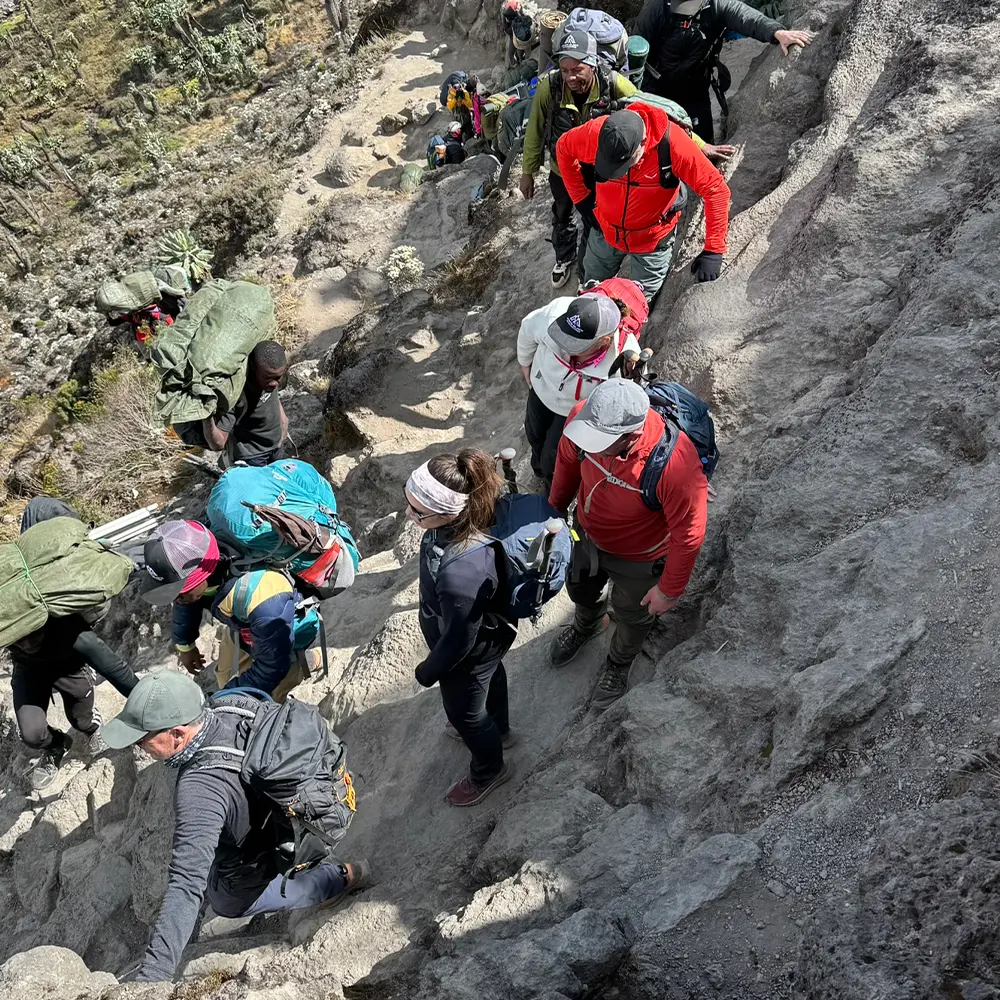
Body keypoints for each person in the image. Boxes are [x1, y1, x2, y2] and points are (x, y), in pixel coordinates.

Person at [101, 671, 369, 982]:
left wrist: (154, 975)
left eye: (144, 737)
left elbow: (186, 884)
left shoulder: (200, 788)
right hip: (299, 810)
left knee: (225, 900)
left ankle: (333, 879)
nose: (139, 745)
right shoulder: (230, 703)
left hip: (271, 845)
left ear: (177, 734)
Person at [548, 379, 708, 709]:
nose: (588, 446)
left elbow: (689, 534)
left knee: (634, 615)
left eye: (598, 443)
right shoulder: (585, 418)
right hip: (587, 534)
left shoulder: (675, 465)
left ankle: (618, 664)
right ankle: (588, 623)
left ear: (630, 436)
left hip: (640, 557)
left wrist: (668, 591)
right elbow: (566, 461)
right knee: (579, 588)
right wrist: (554, 510)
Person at [405, 450, 517, 807]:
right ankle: (499, 726)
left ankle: (490, 769)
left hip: (470, 648)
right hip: (491, 635)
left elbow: (460, 639)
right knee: (490, 675)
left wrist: (428, 670)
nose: (410, 515)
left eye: (418, 512)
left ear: (448, 511)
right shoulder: (471, 514)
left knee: (465, 714)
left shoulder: (460, 572)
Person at [555, 102, 731, 299]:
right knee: (590, 287)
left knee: (639, 304)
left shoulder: (673, 144)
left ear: (643, 142)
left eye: (622, 166)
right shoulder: (598, 132)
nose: (617, 172)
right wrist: (582, 200)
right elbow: (563, 148)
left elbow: (716, 189)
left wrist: (714, 249)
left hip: (651, 240)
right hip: (605, 231)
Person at [140, 520, 318, 702]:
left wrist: (224, 699)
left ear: (203, 575)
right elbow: (187, 603)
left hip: (284, 632)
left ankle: (310, 661)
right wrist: (185, 645)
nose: (176, 599)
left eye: (179, 591)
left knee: (269, 698)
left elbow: (271, 667)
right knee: (224, 675)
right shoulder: (201, 554)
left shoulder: (264, 597)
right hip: (243, 625)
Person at [520, 28, 638, 288]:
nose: (570, 77)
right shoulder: (548, 88)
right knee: (562, 213)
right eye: (565, 70)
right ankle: (564, 257)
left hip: (600, 171)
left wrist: (697, 143)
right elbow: (535, 131)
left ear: (593, 64)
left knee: (595, 217)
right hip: (562, 170)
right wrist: (527, 172)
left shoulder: (612, 83)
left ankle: (589, 268)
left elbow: (648, 111)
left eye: (577, 70)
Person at [632, 0, 816, 142]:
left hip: (695, 85)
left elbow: (746, 16)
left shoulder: (718, 6)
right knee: (656, 140)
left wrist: (776, 32)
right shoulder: (656, 9)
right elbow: (635, 49)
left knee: (703, 142)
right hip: (657, 86)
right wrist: (635, 93)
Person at [518, 292, 643, 491]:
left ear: (604, 341)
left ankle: (550, 484)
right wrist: (525, 363)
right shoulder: (555, 313)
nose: (564, 346)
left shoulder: (624, 358)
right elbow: (527, 329)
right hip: (541, 391)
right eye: (564, 335)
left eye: (575, 344)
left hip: (574, 412)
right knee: (534, 433)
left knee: (555, 455)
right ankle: (538, 471)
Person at [12, 613, 139, 790]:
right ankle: (56, 744)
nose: (26, 644)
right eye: (19, 640)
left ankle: (92, 728)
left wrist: (148, 702)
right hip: (29, 669)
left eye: (32, 637)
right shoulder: (9, 628)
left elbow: (116, 669)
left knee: (81, 720)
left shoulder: (72, 630)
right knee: (31, 735)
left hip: (71, 667)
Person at [202, 340, 289, 469]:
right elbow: (218, 444)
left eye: (278, 377)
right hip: (252, 458)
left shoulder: (268, 376)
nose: (274, 383)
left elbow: (273, 397)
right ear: (253, 366)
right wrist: (206, 415)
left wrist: (283, 420)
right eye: (268, 378)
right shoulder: (236, 394)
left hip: (276, 447)